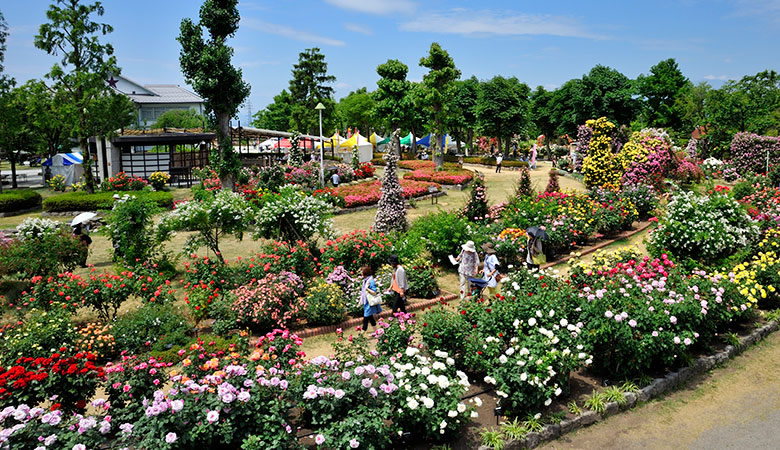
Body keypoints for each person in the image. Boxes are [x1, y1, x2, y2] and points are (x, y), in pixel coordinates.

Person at [358, 265, 381, 331]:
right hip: (366, 303)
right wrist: (360, 302)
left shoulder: (371, 281)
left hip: (370, 303)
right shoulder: (365, 281)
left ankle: (361, 334)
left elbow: (374, 292)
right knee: (370, 318)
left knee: (366, 319)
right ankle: (376, 331)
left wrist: (367, 288)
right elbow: (363, 293)